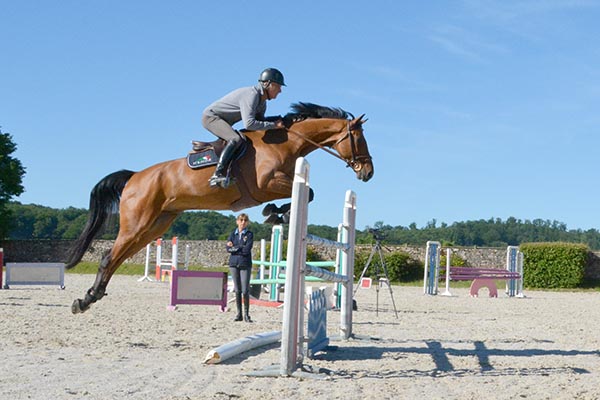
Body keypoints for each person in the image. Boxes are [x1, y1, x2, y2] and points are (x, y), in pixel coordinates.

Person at [202, 68, 287, 188]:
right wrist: (274, 125)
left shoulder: (262, 102)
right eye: (278, 86)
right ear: (269, 84)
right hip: (211, 118)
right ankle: (217, 175)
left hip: (223, 120)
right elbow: (249, 124)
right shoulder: (251, 95)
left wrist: (278, 120)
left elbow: (260, 121)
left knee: (239, 140)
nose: (280, 90)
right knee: (235, 139)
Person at [226, 213, 254, 322]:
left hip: (245, 264)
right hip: (233, 264)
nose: (243, 222)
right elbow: (228, 249)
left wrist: (235, 248)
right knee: (237, 290)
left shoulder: (249, 234)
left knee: (245, 290)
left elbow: (247, 249)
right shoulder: (233, 234)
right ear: (237, 221)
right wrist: (239, 248)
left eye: (245, 220)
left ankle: (247, 314)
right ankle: (239, 314)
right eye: (241, 220)